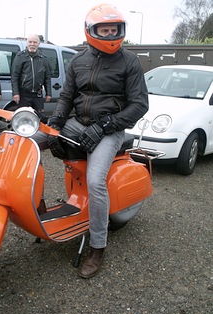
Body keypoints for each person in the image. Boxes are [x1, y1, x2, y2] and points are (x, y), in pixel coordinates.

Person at [35, 3, 149, 278]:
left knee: (96, 181)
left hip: (110, 130)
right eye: (104, 30)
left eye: (114, 30)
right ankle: (35, 205)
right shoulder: (78, 61)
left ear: (121, 31)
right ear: (90, 31)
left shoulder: (129, 62)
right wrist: (56, 123)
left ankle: (98, 246)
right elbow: (66, 97)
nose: (110, 35)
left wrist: (105, 125)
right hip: (77, 124)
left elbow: (140, 105)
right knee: (27, 142)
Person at [11, 34, 52, 115]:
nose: (32, 44)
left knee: (39, 117)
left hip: (38, 95)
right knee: (23, 117)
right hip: (24, 95)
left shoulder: (43, 59)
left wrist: (49, 93)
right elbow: (14, 76)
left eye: (35, 42)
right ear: (27, 43)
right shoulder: (20, 57)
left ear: (38, 44)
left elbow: (47, 78)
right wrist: (15, 93)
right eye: (30, 42)